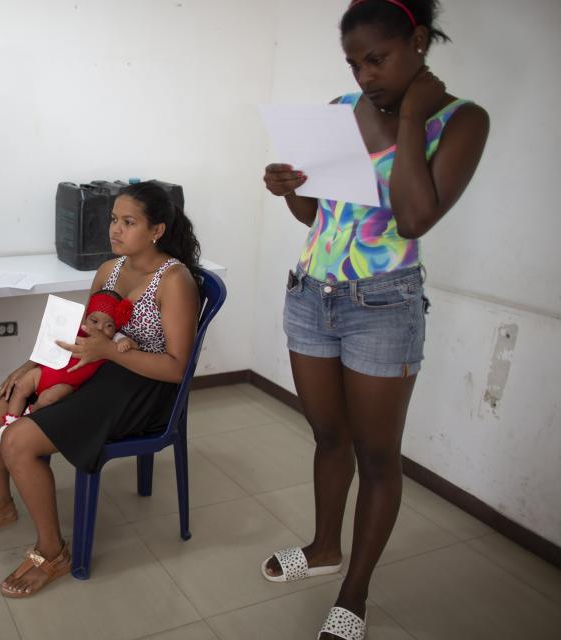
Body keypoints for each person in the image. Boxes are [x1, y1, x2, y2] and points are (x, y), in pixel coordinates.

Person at [260, 1, 489, 638]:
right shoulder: (340, 109)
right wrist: (290, 189)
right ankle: (323, 548)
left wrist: (412, 114)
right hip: (311, 293)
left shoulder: (460, 120)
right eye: (354, 62)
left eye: (377, 59)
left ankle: (354, 594)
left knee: (377, 455)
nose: (364, 75)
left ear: (417, 41)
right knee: (328, 437)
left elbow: (414, 218)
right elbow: (318, 216)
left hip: (383, 306)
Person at [0, 181, 202, 599]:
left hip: (141, 387)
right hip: (94, 367)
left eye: (128, 222)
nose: (115, 230)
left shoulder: (174, 280)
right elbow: (80, 332)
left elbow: (177, 369)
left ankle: (53, 552)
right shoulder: (110, 270)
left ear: (156, 230)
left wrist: (109, 351)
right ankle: (1, 505)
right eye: (113, 220)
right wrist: (30, 366)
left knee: (16, 442)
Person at [0, 289, 136, 443]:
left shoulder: (112, 340)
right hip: (45, 373)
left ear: (115, 328)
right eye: (94, 321)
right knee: (21, 385)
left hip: (66, 384)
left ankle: (31, 411)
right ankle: (9, 422)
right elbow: (53, 334)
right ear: (86, 319)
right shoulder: (77, 329)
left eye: (108, 325)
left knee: (48, 398)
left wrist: (125, 343)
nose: (99, 328)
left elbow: (131, 344)